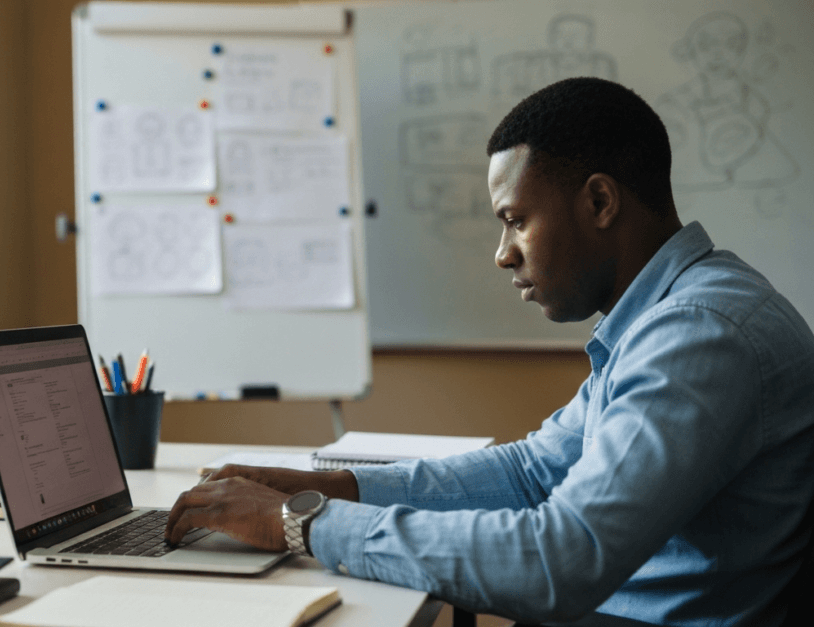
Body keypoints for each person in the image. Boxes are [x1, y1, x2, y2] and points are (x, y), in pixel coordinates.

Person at [164, 77, 814, 626]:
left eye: (515, 219)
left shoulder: (699, 334)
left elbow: (560, 560)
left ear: (599, 201)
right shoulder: (670, 315)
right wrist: (333, 487)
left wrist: (300, 522)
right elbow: (532, 473)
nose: (503, 254)